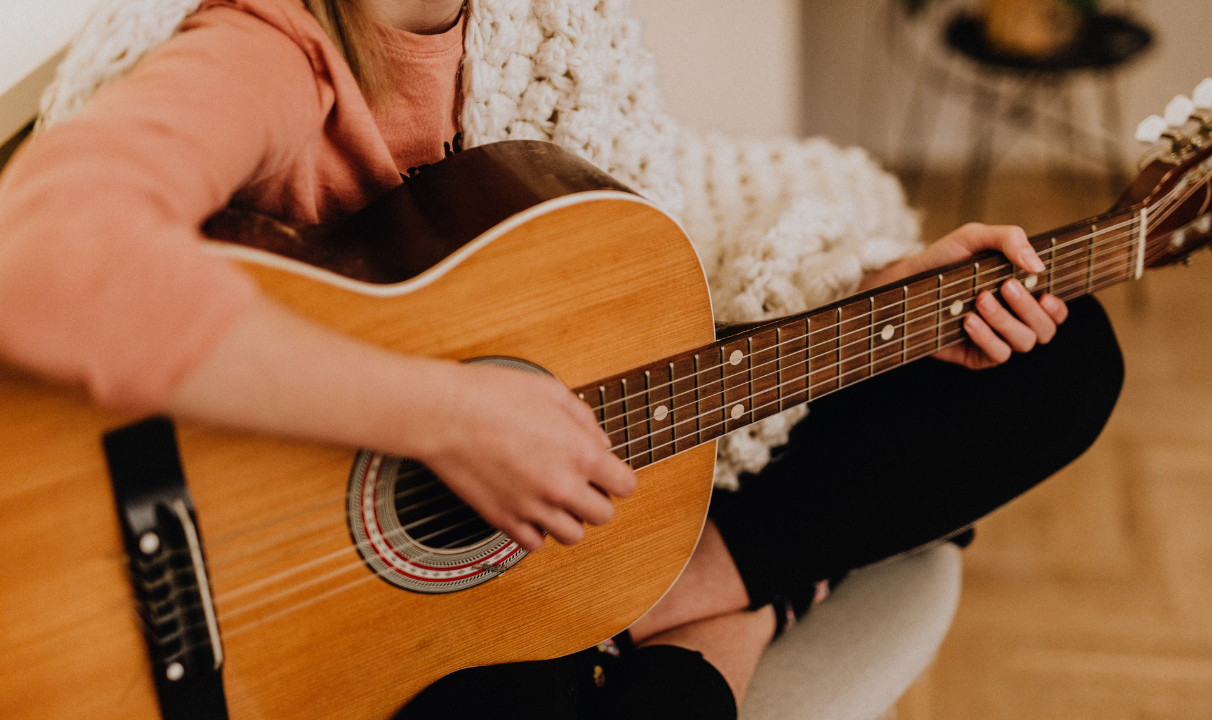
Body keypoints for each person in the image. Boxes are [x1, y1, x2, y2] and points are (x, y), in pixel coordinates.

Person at [0, 0, 1124, 718]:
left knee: (1055, 361)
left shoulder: (543, 27)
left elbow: (641, 277)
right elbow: (42, 261)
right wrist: (441, 419)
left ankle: (685, 595)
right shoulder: (264, 47)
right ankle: (745, 609)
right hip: (274, 589)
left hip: (525, 470)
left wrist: (866, 296)